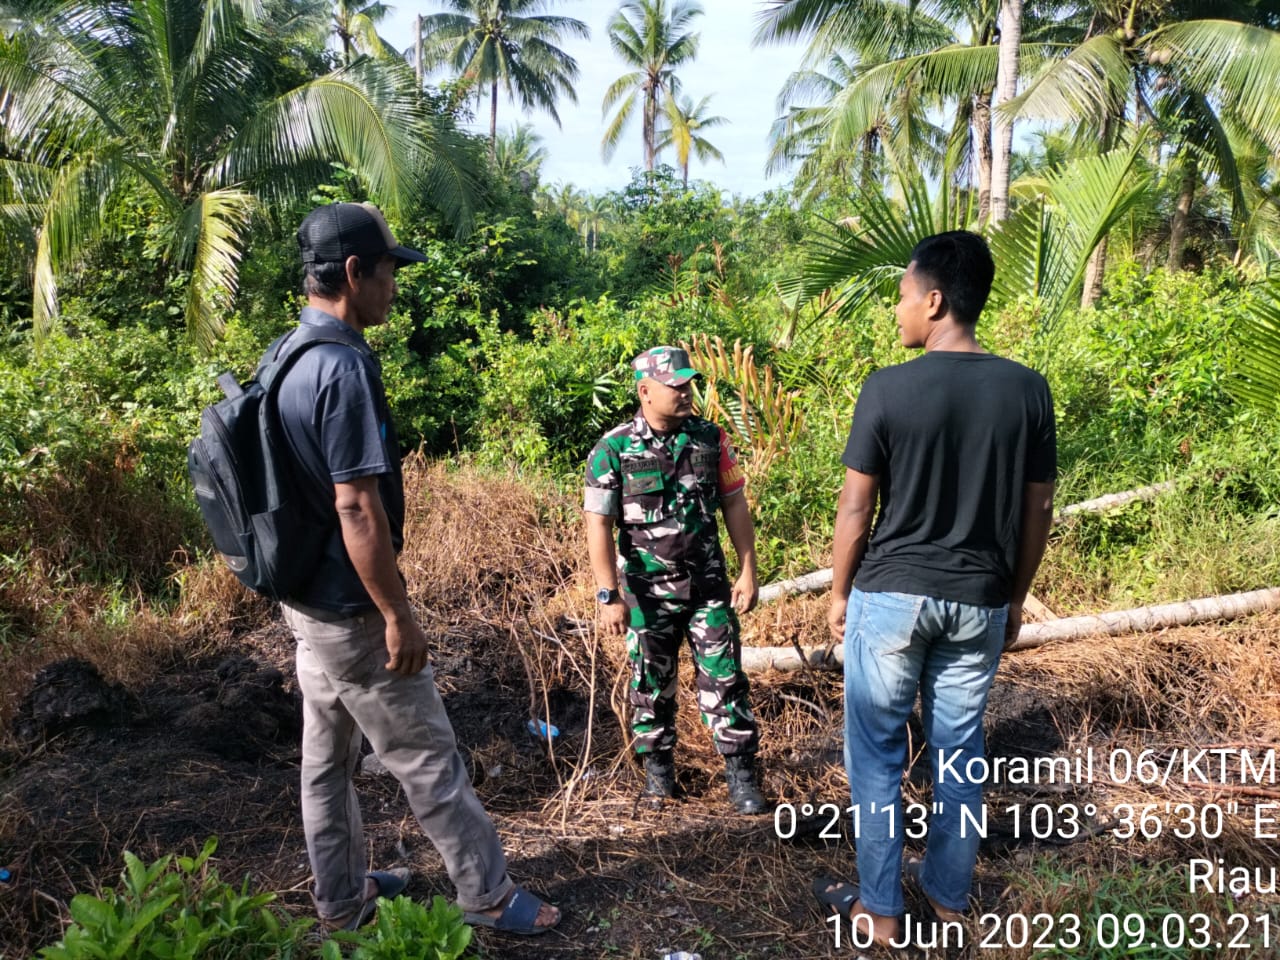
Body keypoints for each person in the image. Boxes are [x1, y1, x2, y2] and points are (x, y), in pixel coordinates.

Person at [274, 202, 560, 936]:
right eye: (389, 270)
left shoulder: (285, 357)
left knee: (324, 759)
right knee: (426, 755)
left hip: (306, 600)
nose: (395, 286)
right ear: (352, 273)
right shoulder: (341, 368)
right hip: (351, 607)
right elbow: (358, 509)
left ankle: (341, 900)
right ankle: (487, 896)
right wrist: (398, 615)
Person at [816, 231, 1056, 947]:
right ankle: (949, 896)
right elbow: (1037, 508)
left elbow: (856, 508)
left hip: (891, 597)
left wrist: (838, 594)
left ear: (936, 299)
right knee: (959, 751)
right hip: (980, 597)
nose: (897, 313)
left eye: (901, 297)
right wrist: (1014, 597)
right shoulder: (1027, 389)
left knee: (878, 757)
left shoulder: (889, 387)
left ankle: (881, 911)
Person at [584, 346, 766, 815]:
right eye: (676, 385)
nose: (686, 393)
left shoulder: (711, 438)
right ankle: (659, 778)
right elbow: (597, 524)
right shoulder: (614, 449)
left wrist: (748, 568)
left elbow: (734, 504)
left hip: (707, 589)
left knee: (725, 680)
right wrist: (608, 595)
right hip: (647, 594)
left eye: (689, 384)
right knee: (650, 686)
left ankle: (742, 777)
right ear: (645, 391)